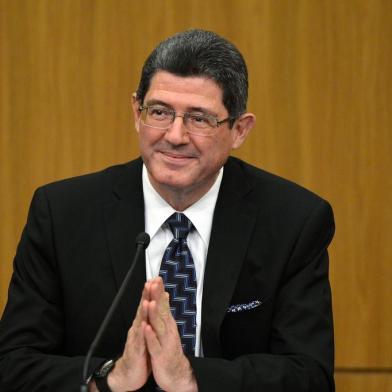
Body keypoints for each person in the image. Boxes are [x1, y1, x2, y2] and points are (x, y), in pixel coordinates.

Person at [0, 29, 335, 392]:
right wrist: (109, 378)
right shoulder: (63, 214)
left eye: (199, 118)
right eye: (159, 112)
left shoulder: (293, 221)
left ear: (239, 130)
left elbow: (309, 376)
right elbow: (14, 365)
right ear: (136, 112)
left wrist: (189, 378)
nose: (174, 135)